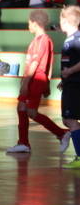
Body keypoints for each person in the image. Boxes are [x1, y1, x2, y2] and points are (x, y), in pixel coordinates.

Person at [7, 10, 71, 153]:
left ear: (35, 24)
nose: (28, 25)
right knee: (21, 108)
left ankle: (62, 133)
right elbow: (50, 64)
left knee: (31, 112)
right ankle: (23, 143)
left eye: (29, 23)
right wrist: (45, 83)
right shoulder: (38, 40)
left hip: (35, 78)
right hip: (34, 78)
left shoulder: (43, 40)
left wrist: (27, 82)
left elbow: (37, 63)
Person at [57, 5, 80, 168]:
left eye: (60, 19)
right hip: (69, 83)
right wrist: (64, 79)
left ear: (65, 21)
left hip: (76, 85)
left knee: (71, 120)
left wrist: (70, 71)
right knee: (67, 120)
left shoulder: (77, 39)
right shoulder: (70, 39)